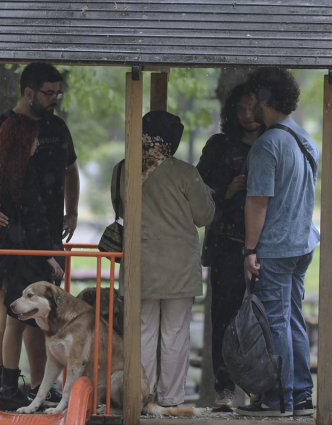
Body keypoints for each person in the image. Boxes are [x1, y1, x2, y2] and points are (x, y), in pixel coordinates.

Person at [0, 62, 79, 409]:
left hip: (42, 234)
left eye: (58, 92)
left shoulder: (57, 129)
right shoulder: (3, 129)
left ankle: (27, 385)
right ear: (29, 92)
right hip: (19, 236)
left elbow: (71, 171)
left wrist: (71, 211)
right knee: (13, 314)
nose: (55, 98)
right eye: (49, 92)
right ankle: (5, 386)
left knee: (31, 317)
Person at [110, 111, 215, 407]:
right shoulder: (184, 172)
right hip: (178, 267)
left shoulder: (122, 169)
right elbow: (204, 216)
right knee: (175, 334)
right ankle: (170, 399)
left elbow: (119, 208)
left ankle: (142, 397)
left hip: (140, 263)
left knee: (142, 331)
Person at [237, 67, 319, 417]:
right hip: (302, 243)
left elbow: (258, 202)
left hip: (275, 247)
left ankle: (277, 399)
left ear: (265, 101)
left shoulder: (268, 145)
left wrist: (250, 250)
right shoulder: (303, 137)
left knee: (274, 323)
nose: (249, 107)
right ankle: (300, 395)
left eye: (253, 100)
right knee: (294, 320)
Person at [0, 114, 64, 411]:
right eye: (34, 137)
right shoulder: (23, 173)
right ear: (23, 140)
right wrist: (48, 254)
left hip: (0, 257)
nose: (38, 142)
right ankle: (9, 389)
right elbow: (33, 217)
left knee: (2, 319)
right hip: (21, 257)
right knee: (14, 323)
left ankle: (0, 384)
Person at [196, 83, 264, 411]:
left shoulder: (274, 141)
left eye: (253, 107)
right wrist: (227, 189)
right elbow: (198, 188)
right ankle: (224, 391)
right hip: (226, 244)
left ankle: (259, 388)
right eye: (241, 109)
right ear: (231, 112)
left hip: (266, 247)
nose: (248, 116)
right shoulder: (219, 146)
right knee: (223, 318)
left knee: (262, 318)